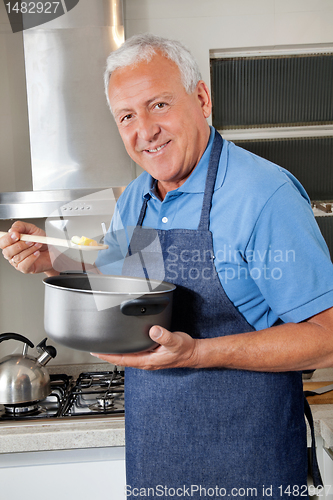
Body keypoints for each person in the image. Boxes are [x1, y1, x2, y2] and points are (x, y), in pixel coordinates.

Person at [2, 33, 333, 498]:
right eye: (127, 116)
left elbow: (327, 339)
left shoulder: (263, 194)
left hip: (249, 463)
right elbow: (129, 286)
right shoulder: (136, 196)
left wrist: (197, 352)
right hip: (155, 457)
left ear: (201, 98)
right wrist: (53, 259)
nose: (146, 130)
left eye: (159, 105)